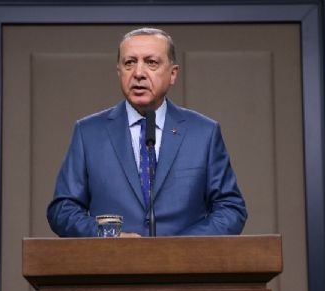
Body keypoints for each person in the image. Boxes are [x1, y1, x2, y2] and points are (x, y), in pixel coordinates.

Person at [47, 27, 247, 237]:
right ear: (119, 71)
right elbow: (63, 210)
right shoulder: (88, 133)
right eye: (129, 63)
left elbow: (231, 209)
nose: (138, 73)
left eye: (151, 62)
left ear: (173, 74)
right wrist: (110, 236)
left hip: (184, 258)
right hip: (113, 258)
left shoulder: (204, 133)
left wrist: (180, 248)